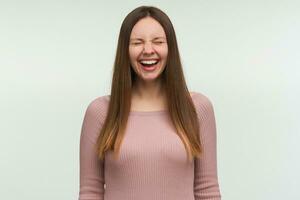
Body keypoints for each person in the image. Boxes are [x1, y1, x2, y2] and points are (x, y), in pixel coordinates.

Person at [78, 5, 222, 200]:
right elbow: (91, 192)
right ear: (125, 50)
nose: (148, 50)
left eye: (158, 41)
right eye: (137, 42)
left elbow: (207, 191)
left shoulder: (197, 108)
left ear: (169, 47)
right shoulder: (100, 112)